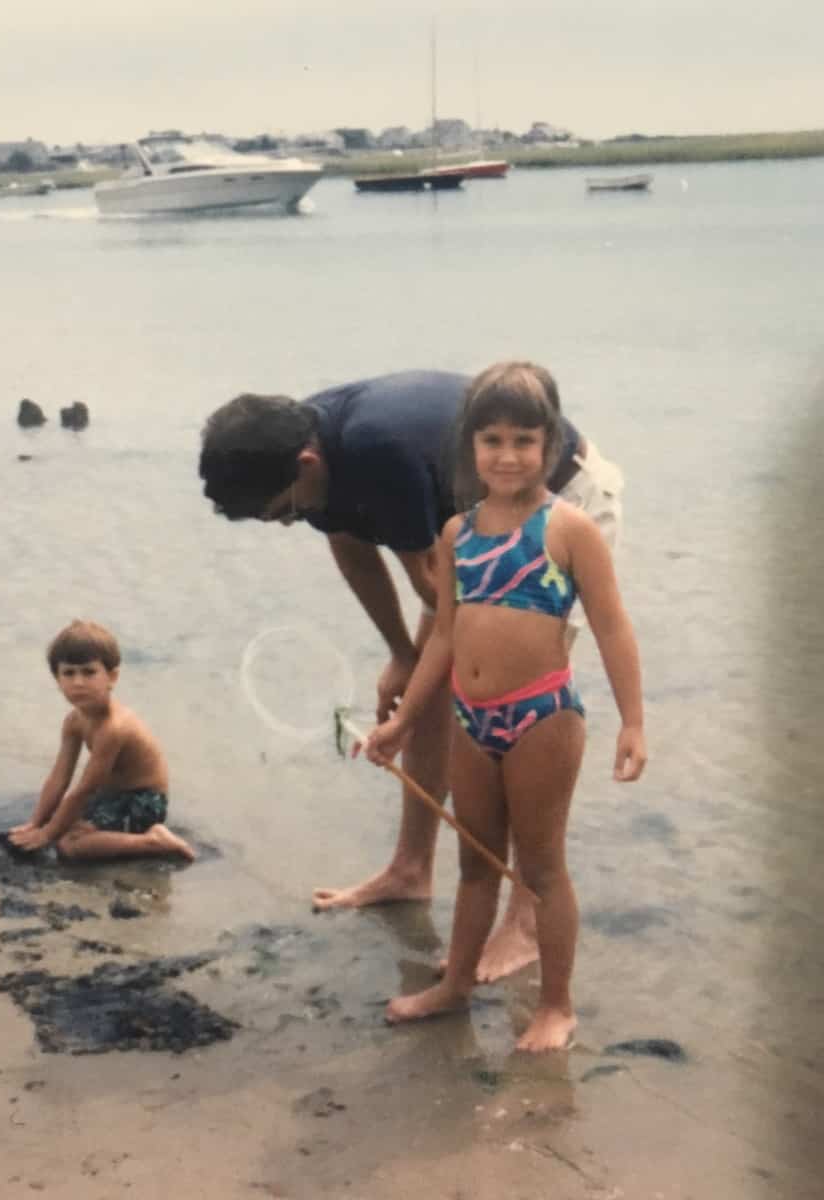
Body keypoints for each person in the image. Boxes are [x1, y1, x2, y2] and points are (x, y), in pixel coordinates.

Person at [198, 369, 623, 982]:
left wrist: (418, 688)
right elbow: (349, 542)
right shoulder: (311, 450)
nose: (289, 522)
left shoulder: (377, 452)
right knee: (430, 699)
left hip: (560, 508)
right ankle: (411, 869)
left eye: (285, 511)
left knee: (509, 702)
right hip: (474, 529)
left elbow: (444, 602)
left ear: (307, 461)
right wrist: (400, 652)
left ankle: (528, 918)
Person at [359, 362, 645, 1051]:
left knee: (542, 866)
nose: (508, 455)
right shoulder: (458, 533)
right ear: (471, 449)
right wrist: (402, 719)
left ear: (550, 446)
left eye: (525, 440)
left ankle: (556, 1005)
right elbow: (446, 635)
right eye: (492, 440)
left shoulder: (568, 528)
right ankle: (455, 984)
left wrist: (633, 721)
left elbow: (611, 625)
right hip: (470, 717)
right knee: (476, 864)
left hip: (542, 715)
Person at [8, 620, 195, 862]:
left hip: (143, 800)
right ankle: (107, 832)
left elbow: (86, 789)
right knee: (60, 820)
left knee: (69, 845)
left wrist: (47, 834)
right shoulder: (74, 721)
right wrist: (36, 822)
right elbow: (60, 776)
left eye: (89, 672)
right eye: (69, 673)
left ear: (112, 676)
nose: (78, 682)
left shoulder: (113, 728)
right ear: (57, 679)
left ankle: (154, 840)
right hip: (112, 796)